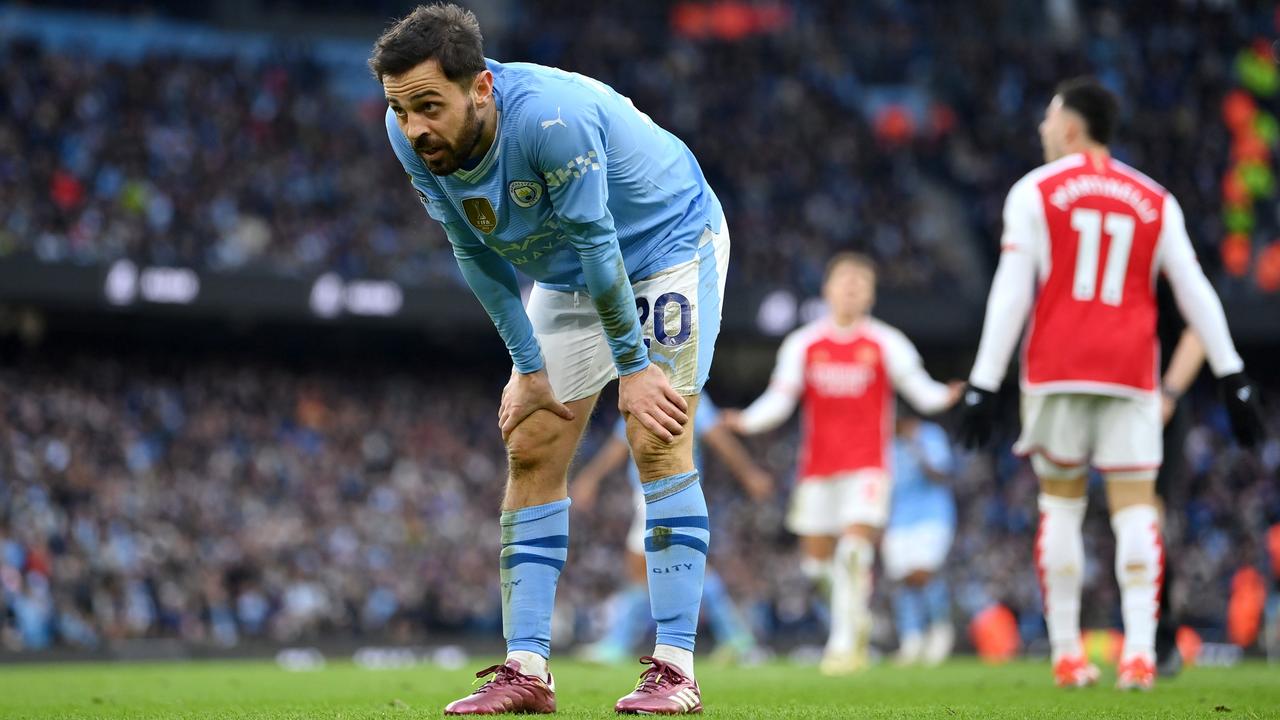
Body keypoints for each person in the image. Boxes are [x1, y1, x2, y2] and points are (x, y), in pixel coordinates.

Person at [371, 4, 729, 714]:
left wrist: (633, 368)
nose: (414, 127)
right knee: (531, 442)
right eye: (401, 109)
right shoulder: (408, 133)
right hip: (567, 271)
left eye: (428, 106)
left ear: (481, 88)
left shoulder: (550, 120)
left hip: (665, 249)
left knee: (657, 437)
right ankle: (527, 669)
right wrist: (527, 368)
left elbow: (601, 244)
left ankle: (675, 667)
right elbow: (473, 250)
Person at [958, 77, 1265, 691]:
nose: (1043, 129)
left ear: (1070, 127)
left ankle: (1070, 656)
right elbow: (1195, 290)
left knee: (1061, 506)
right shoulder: (1153, 198)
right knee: (1135, 513)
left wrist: (983, 383)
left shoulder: (1034, 192)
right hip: (1130, 376)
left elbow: (1012, 292)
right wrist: (1234, 375)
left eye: (1049, 118)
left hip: (1057, 371)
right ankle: (1142, 657)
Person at [720, 252, 961, 675]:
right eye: (843, 280)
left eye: (860, 282)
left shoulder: (887, 343)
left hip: (868, 467)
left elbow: (922, 393)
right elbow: (780, 399)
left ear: (870, 293)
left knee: (853, 553)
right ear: (827, 288)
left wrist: (948, 395)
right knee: (817, 567)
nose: (850, 288)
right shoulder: (805, 343)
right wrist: (746, 420)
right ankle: (856, 620)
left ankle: (844, 644)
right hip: (817, 471)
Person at [571, 395, 773, 664]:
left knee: (654, 567)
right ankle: (736, 639)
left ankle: (619, 644)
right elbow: (621, 442)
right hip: (650, 494)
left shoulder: (684, 391)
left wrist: (749, 474)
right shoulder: (645, 389)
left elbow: (718, 437)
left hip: (665, 491)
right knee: (668, 567)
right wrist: (590, 477)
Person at [882, 411, 956, 666]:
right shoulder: (885, 443)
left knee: (923, 574)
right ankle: (911, 639)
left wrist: (915, 445)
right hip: (897, 518)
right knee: (902, 581)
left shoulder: (930, 435)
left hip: (931, 514)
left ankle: (939, 631)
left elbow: (939, 473)